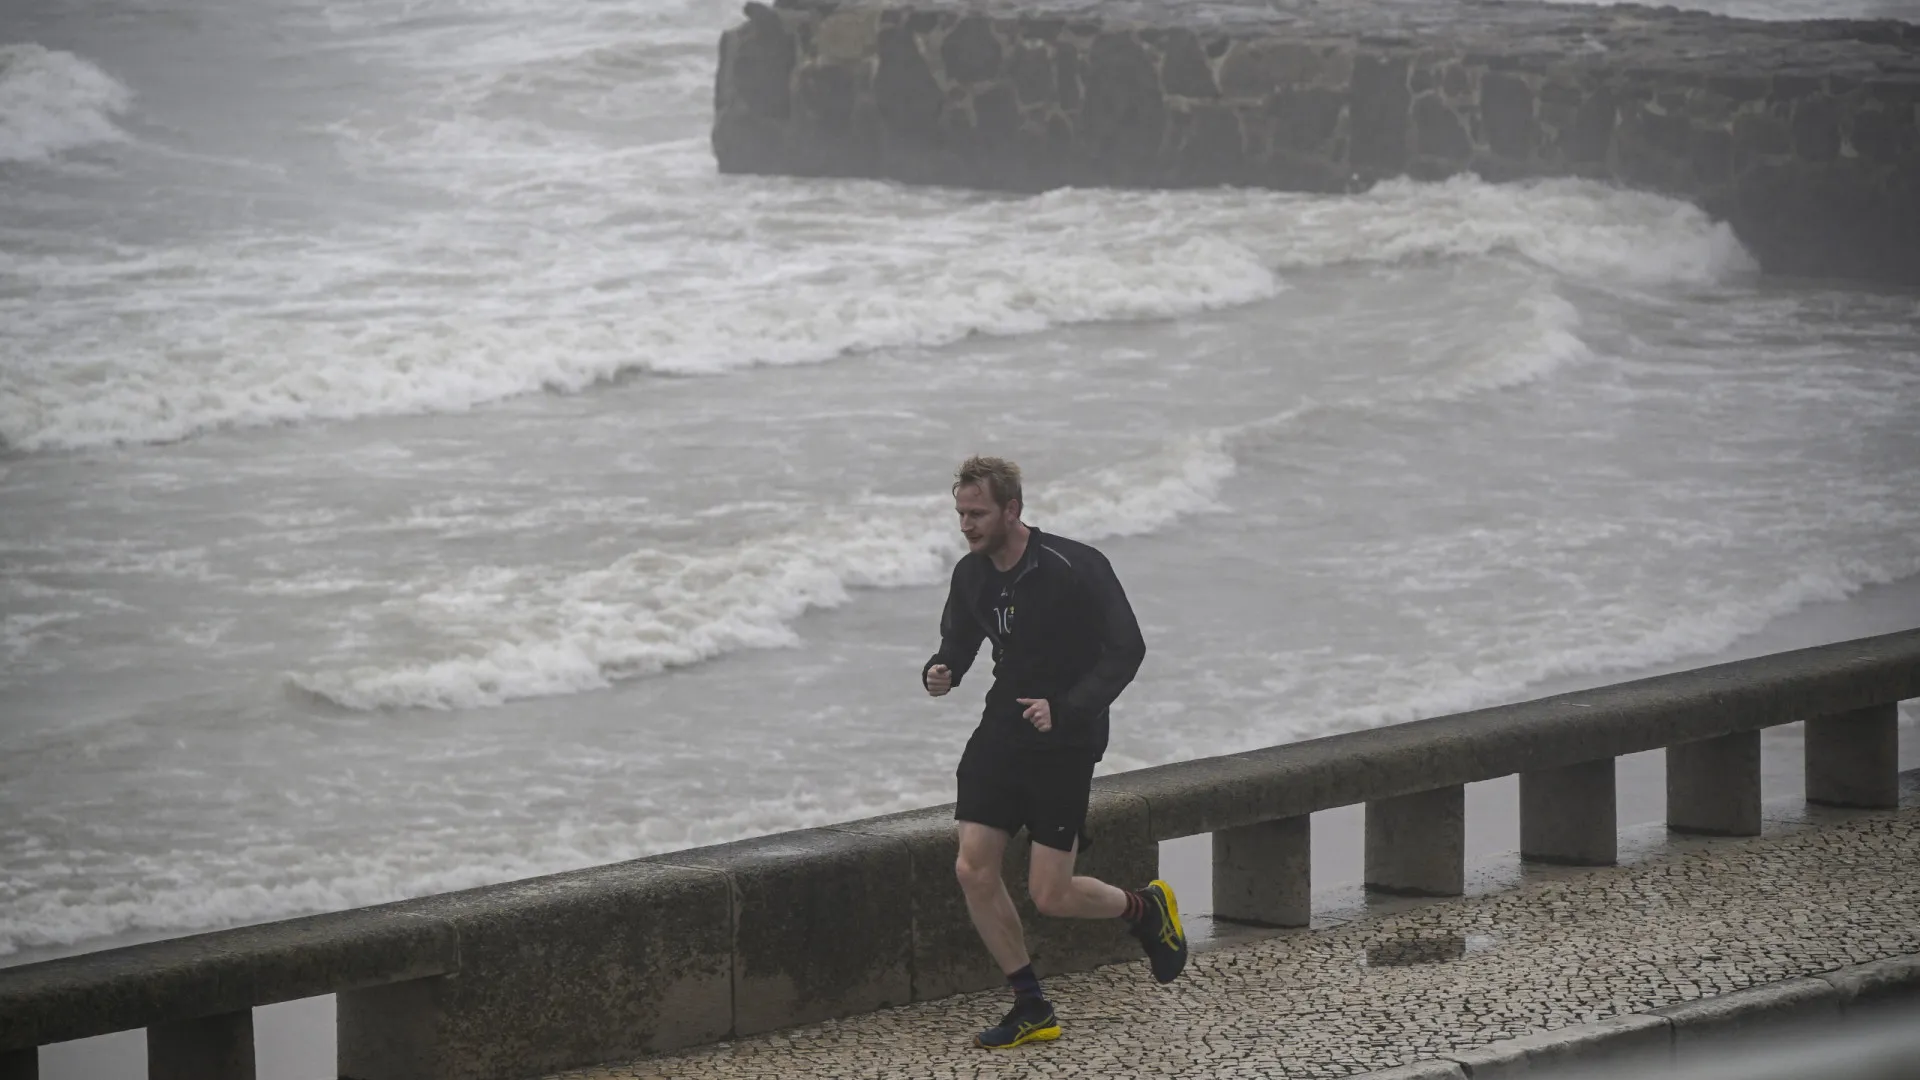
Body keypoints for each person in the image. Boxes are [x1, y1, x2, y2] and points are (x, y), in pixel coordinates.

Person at [921, 455, 1187, 1050]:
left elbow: (1127, 649)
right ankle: (1031, 1005)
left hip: (1065, 742)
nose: (966, 524)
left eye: (977, 513)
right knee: (972, 867)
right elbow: (958, 641)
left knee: (1051, 894)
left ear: (1012, 509)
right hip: (1000, 733)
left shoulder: (1076, 567)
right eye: (961, 513)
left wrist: (1065, 709)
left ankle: (1144, 911)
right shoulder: (971, 575)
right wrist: (942, 671)